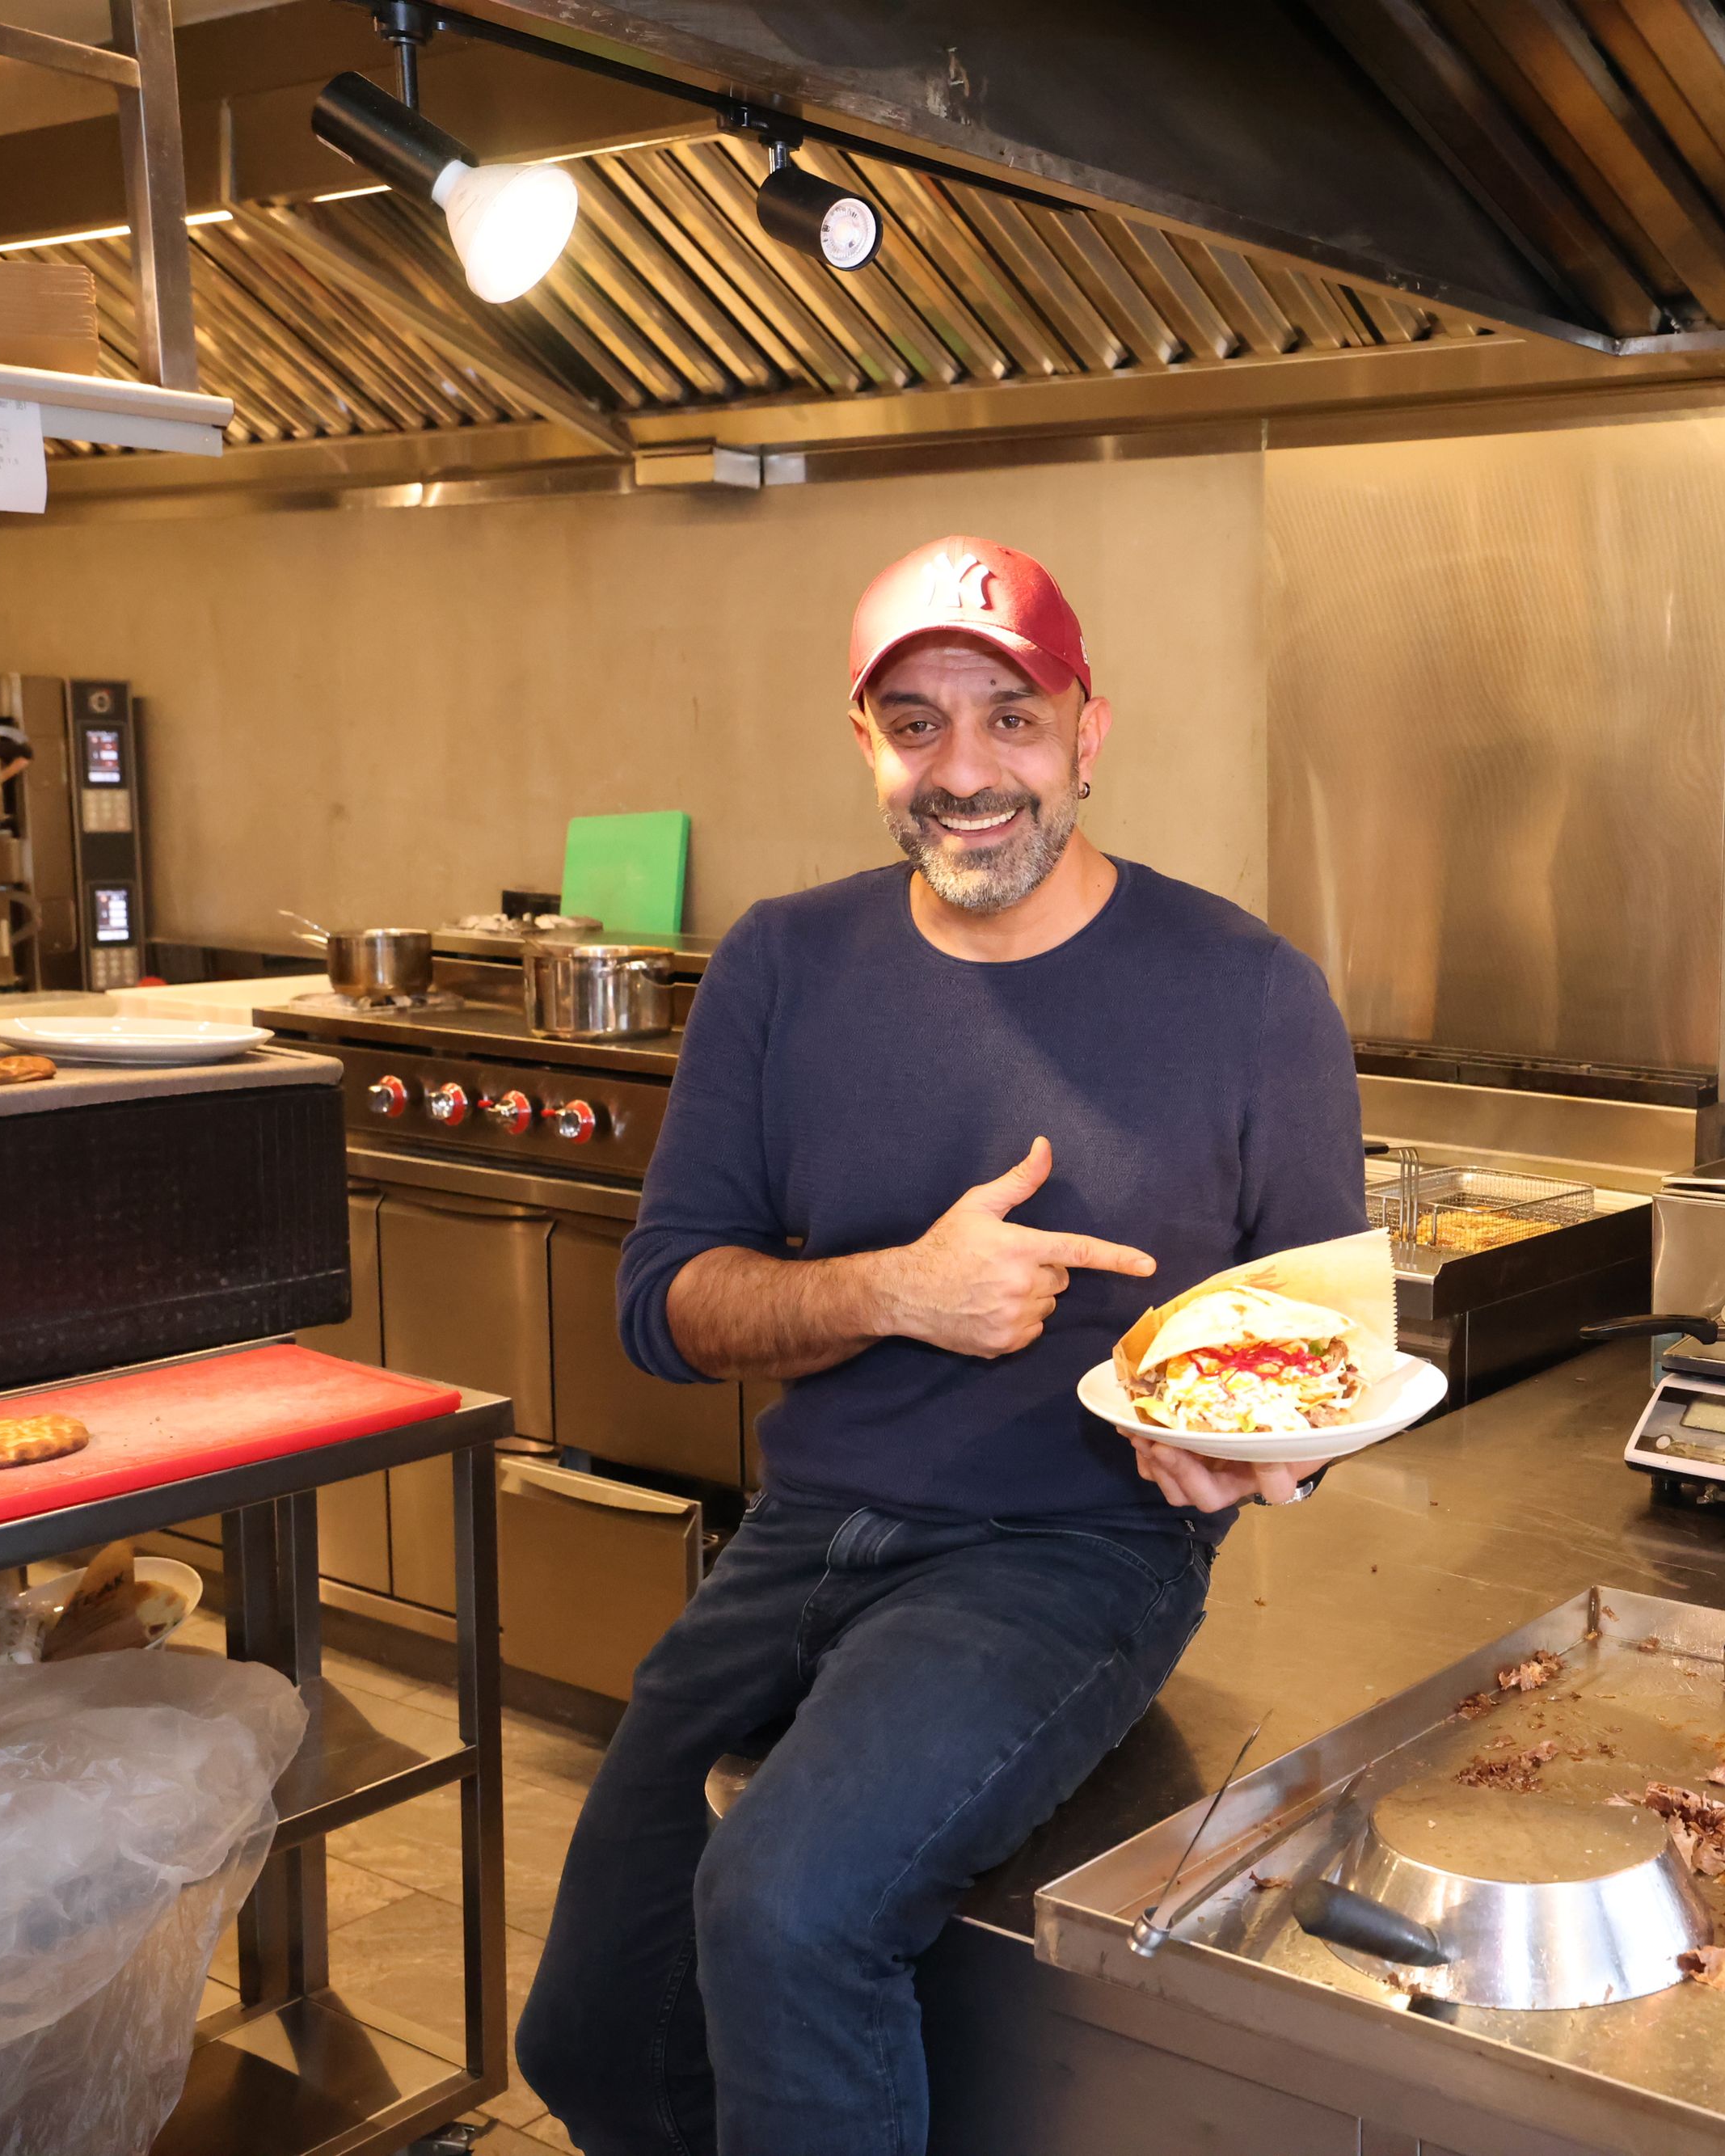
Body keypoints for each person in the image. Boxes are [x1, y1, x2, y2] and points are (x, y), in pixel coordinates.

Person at [516, 535, 1366, 2154]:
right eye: (914, 723)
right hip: (796, 1535)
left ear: (1087, 732)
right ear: (864, 741)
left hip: (1063, 1556)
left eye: (1010, 717)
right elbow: (666, 1303)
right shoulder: (782, 961)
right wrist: (895, 1289)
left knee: (783, 1911)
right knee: (588, 2036)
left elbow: (1328, 1329)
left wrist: (1272, 1450)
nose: (964, 770)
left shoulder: (1248, 991)